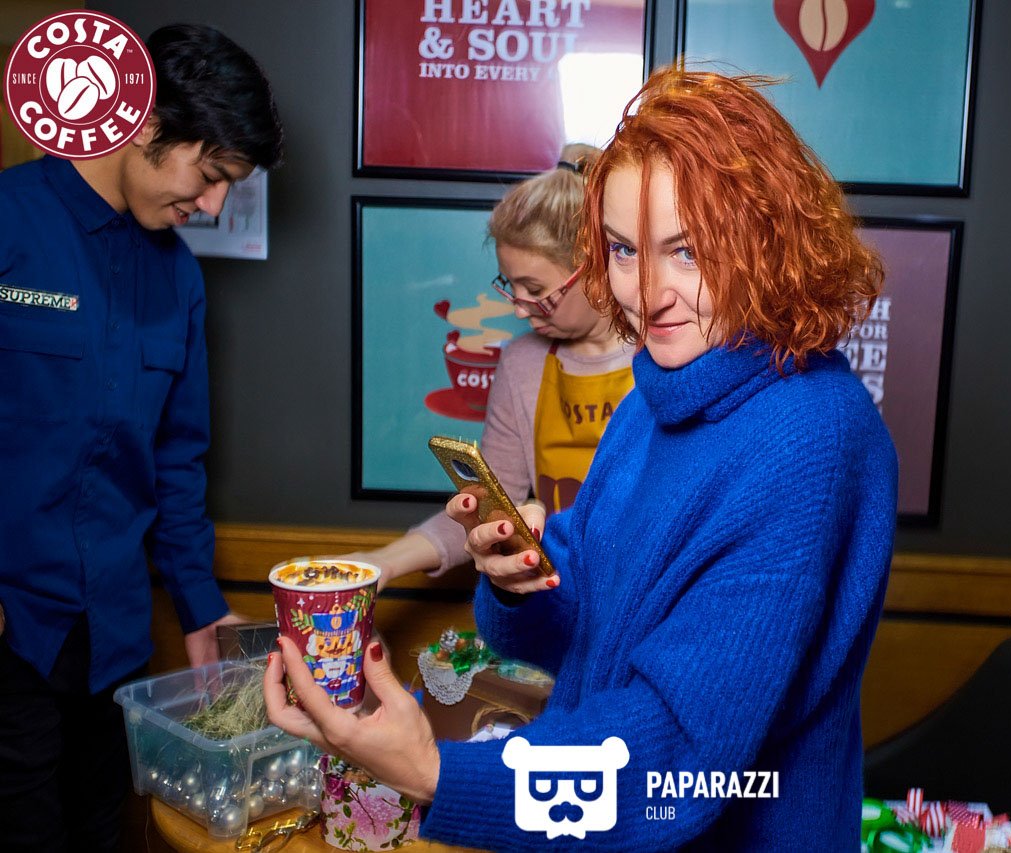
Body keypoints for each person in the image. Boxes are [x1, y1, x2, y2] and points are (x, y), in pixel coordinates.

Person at [265, 67, 896, 850]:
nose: (648, 292)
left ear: (768, 239)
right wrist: (521, 581)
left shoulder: (810, 438)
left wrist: (434, 771)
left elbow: (677, 762)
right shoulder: (656, 394)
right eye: (625, 250)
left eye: (687, 251)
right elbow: (588, 625)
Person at [0, 24, 283, 851]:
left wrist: (200, 607)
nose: (214, 205)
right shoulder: (11, 222)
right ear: (147, 122)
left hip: (113, 636)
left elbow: (176, 458)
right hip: (14, 630)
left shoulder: (177, 274)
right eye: (212, 174)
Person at [346, 144, 635, 587]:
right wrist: (381, 564)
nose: (519, 309)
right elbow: (490, 509)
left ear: (596, 267)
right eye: (510, 286)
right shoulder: (522, 364)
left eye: (535, 289)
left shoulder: (664, 357)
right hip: (560, 594)